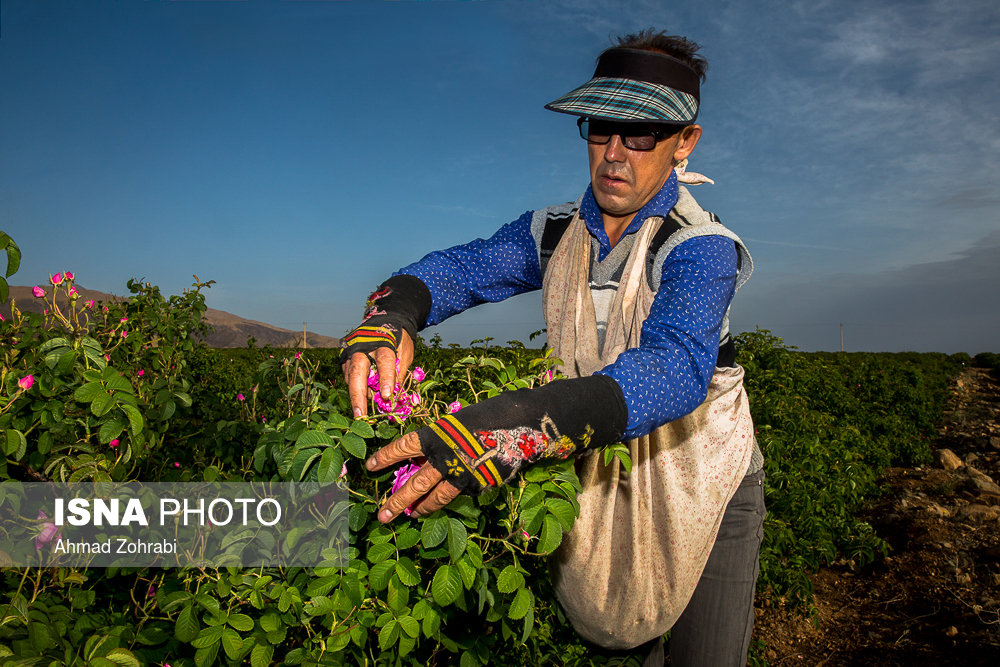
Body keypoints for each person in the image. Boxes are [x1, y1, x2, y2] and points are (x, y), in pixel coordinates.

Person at [340, 29, 765, 667]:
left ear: (685, 142)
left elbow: (675, 371)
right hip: (598, 459)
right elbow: (458, 270)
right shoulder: (556, 234)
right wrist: (395, 312)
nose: (616, 154)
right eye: (601, 128)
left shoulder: (699, 247)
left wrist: (512, 425)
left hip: (703, 477)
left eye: (642, 133)